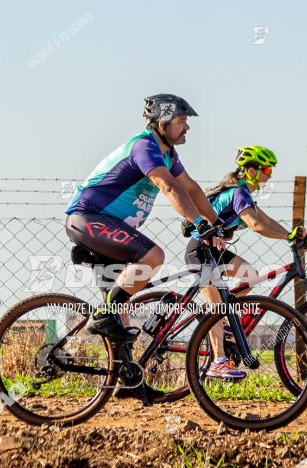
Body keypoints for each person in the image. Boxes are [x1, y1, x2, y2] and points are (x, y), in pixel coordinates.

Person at [64, 94, 224, 392]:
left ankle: (129, 382)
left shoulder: (168, 154)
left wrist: (214, 223)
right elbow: (169, 186)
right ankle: (103, 315)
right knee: (153, 255)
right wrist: (198, 224)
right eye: (182, 121)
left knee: (121, 319)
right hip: (88, 218)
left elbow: (191, 189)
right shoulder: (144, 146)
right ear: (162, 123)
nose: (187, 128)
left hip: (105, 226)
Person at [185, 145, 307, 380]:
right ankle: (218, 361)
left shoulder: (243, 193)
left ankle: (223, 324)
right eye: (266, 169)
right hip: (201, 251)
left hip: (215, 251)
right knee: (218, 307)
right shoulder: (237, 193)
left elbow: (265, 219)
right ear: (251, 171)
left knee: (250, 275)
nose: (270, 174)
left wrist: (291, 235)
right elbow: (256, 225)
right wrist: (288, 237)